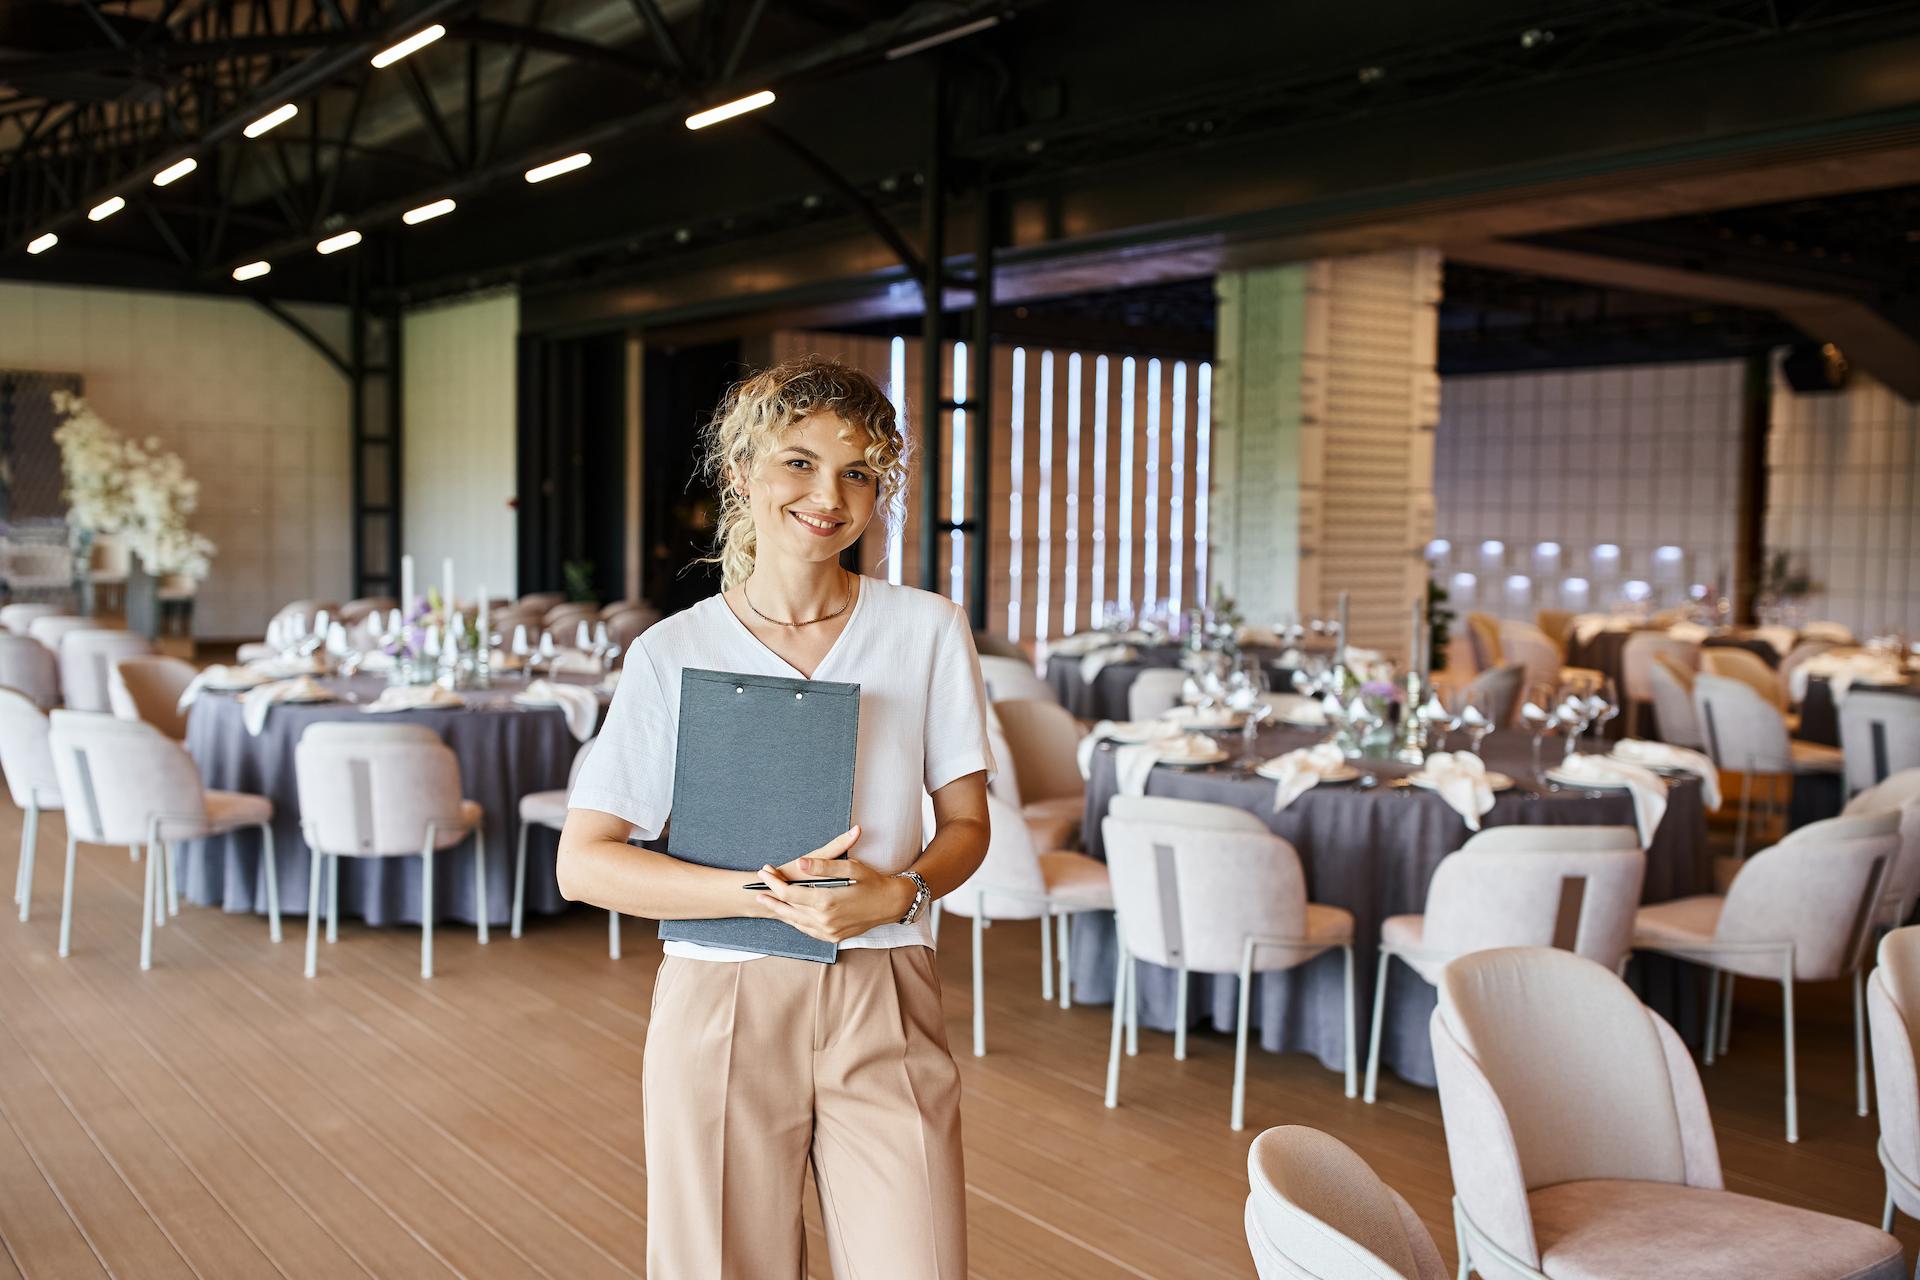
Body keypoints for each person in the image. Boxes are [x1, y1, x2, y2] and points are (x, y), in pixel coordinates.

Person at [557, 356, 992, 1279]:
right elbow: (585, 864)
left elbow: (968, 826)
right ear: (743, 472)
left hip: (887, 990)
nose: (827, 495)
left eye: (858, 472)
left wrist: (899, 892)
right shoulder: (671, 652)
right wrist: (762, 894)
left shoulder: (926, 630)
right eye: (798, 462)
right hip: (720, 1000)